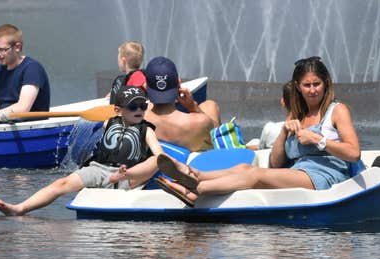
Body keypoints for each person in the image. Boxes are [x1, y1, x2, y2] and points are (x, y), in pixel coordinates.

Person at [154, 56, 361, 206]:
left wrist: (318, 139)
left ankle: (196, 190)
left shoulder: (336, 110)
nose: (313, 89)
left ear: (326, 84)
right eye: (307, 85)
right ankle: (195, 174)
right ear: (298, 86)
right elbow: (276, 162)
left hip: (324, 176)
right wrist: (283, 133)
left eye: (317, 84)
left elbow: (354, 153)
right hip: (298, 171)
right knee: (244, 168)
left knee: (254, 175)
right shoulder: (297, 114)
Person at [0, 86, 163, 216]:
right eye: (133, 106)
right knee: (60, 183)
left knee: (157, 159)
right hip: (99, 169)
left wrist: (129, 173)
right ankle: (20, 208)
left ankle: (123, 174)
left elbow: (160, 156)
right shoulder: (108, 123)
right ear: (118, 110)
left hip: (130, 175)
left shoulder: (146, 130)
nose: (139, 110)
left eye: (143, 105)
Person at [143, 56, 221, 152]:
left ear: (145, 86)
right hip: (190, 164)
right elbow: (220, 138)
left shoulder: (136, 119)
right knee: (210, 105)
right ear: (179, 83)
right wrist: (194, 108)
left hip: (156, 162)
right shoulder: (200, 123)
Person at [246, 81, 294, 150]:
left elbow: (260, 149)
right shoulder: (309, 130)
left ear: (283, 102)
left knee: (253, 142)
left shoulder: (270, 129)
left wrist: (244, 147)